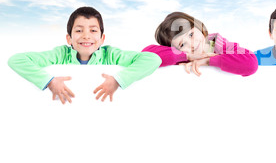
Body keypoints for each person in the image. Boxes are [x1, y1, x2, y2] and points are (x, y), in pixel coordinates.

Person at [8, 6, 162, 104]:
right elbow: (17, 60)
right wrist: (49, 81)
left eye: (93, 30)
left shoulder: (111, 55)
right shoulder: (60, 54)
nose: (86, 36)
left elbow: (153, 59)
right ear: (69, 38)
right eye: (79, 30)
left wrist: (118, 79)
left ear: (102, 39)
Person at [142, 12, 258, 77]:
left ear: (198, 27)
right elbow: (145, 55)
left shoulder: (222, 46)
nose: (192, 44)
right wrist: (186, 56)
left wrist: (208, 61)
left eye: (191, 35)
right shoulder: (181, 57)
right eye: (182, 45)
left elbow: (251, 63)